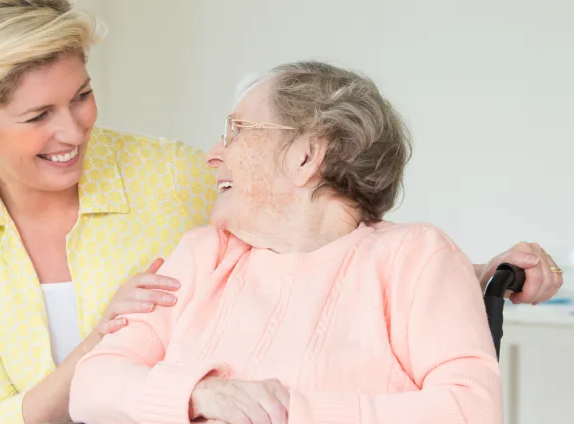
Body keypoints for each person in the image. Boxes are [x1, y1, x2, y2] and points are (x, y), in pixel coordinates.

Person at [0, 1, 563, 423]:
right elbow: (40, 400)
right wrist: (190, 392)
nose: (74, 130)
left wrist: (473, 275)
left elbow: (332, 234)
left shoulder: (177, 181)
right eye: (38, 115)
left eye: (82, 97)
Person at [68, 61, 506, 424]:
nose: (213, 154)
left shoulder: (415, 257)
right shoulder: (202, 253)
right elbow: (91, 386)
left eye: (235, 130)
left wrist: (287, 411)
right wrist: (200, 394)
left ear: (306, 155)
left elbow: (471, 408)